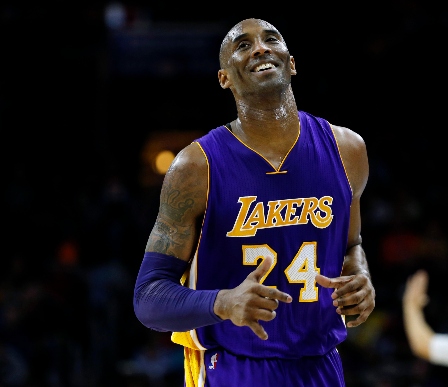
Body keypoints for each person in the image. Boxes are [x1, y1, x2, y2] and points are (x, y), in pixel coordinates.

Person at [133, 17, 376, 387]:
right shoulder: (196, 167)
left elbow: (352, 246)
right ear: (224, 78)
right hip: (233, 366)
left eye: (270, 39)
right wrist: (223, 303)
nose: (260, 48)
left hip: (321, 364)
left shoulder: (348, 150)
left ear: (291, 62)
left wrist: (361, 278)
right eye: (243, 45)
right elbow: (148, 299)